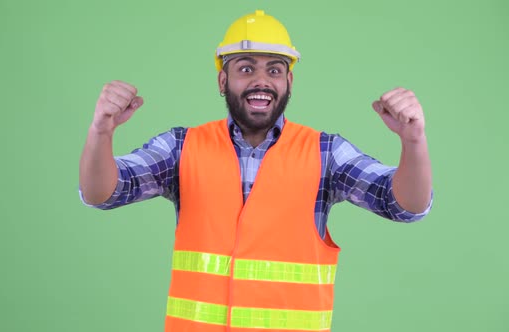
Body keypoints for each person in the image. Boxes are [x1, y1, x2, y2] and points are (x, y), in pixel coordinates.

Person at [79, 9, 432, 332]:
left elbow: (403, 205)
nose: (261, 80)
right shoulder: (180, 147)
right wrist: (101, 132)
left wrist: (413, 142)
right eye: (246, 68)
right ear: (222, 81)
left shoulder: (327, 153)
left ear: (289, 82)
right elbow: (103, 193)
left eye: (275, 69)